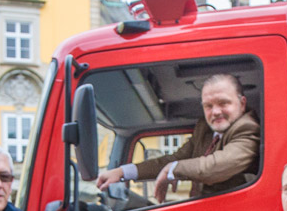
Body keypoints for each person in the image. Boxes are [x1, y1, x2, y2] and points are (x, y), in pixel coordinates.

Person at [95, 73, 260, 202]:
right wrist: (122, 172)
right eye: (208, 106)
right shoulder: (204, 128)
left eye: (223, 103)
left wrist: (173, 170)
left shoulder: (248, 128)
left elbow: (215, 167)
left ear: (242, 103)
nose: (215, 111)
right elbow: (175, 159)